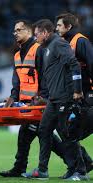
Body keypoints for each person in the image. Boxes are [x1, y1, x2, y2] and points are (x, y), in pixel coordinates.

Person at [23, 19, 88, 180]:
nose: (35, 37)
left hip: (65, 98)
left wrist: (78, 90)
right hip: (53, 99)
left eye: (37, 34)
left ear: (45, 33)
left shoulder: (59, 44)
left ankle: (80, 171)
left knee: (66, 135)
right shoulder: (46, 48)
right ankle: (42, 170)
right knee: (44, 130)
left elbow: (74, 65)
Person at [0, 20, 50, 177]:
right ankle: (81, 162)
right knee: (36, 135)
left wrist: (43, 98)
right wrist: (12, 99)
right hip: (26, 105)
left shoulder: (39, 50)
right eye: (14, 31)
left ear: (29, 32)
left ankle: (20, 167)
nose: (15, 33)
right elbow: (17, 83)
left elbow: (46, 77)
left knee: (30, 135)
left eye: (19, 30)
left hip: (39, 104)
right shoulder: (16, 55)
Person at [55, 12, 93, 178]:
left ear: (68, 26)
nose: (56, 28)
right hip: (74, 95)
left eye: (59, 25)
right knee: (67, 132)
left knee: (70, 132)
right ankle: (80, 167)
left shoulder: (80, 41)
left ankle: (80, 170)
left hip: (86, 95)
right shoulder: (64, 43)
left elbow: (91, 65)